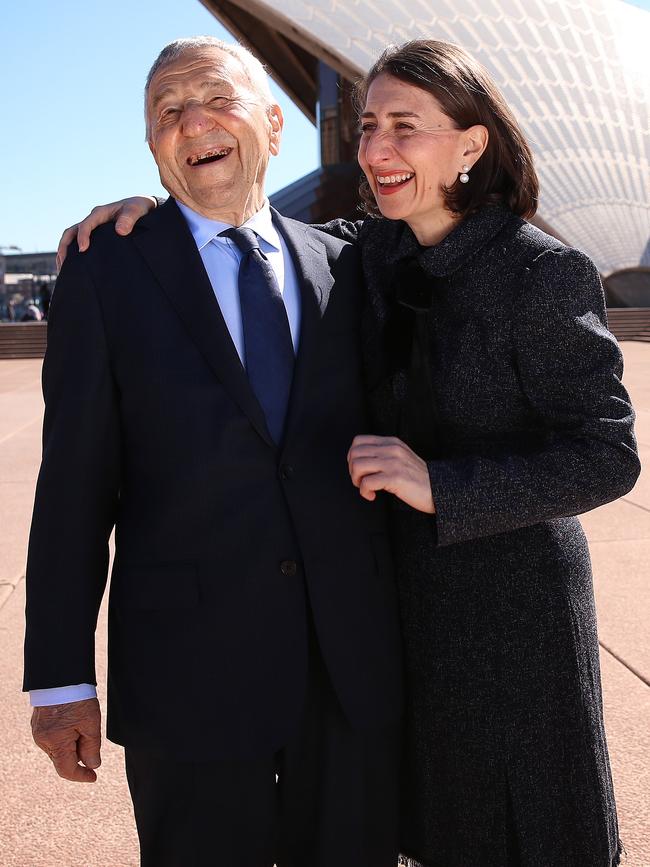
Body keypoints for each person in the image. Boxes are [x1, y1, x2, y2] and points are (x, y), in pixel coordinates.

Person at [58, 38, 641, 867]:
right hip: (388, 626)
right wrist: (141, 216)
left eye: (408, 125)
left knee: (519, 833)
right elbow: (228, 228)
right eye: (369, 126)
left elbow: (609, 453)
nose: (377, 149)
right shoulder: (369, 255)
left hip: (507, 621)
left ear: (472, 145)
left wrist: (442, 484)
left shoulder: (531, 269)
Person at [24, 36, 404, 867]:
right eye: (167, 110)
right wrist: (60, 681)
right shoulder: (106, 270)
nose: (192, 120)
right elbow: (72, 491)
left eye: (215, 98)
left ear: (273, 121)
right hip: (186, 674)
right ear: (154, 147)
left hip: (346, 672)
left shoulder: (350, 267)